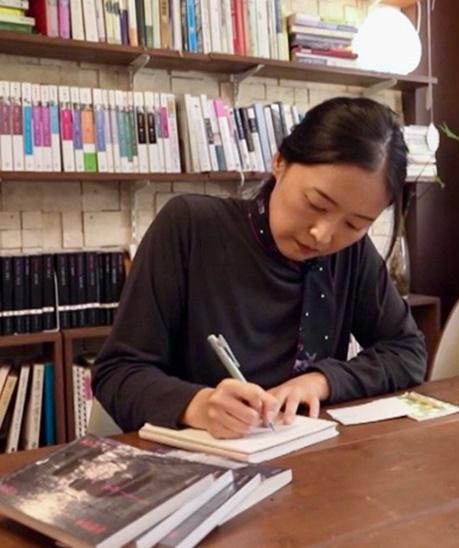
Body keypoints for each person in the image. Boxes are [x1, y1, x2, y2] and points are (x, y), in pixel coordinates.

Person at [92, 97, 428, 438]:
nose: (323, 235)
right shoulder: (191, 227)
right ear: (280, 161)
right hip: (197, 459)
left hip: (307, 454)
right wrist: (198, 406)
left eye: (354, 224)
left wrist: (320, 381)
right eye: (316, 204)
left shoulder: (351, 254)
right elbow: (117, 372)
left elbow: (407, 352)